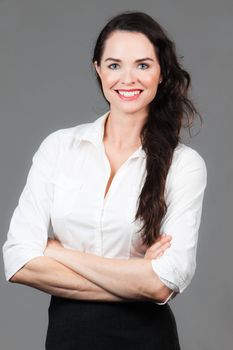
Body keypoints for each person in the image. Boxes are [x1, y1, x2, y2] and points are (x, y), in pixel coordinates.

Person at [2, 11, 207, 350]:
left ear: (162, 72)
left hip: (147, 339)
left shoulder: (184, 165)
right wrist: (136, 276)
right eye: (114, 65)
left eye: (142, 65)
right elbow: (19, 261)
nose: (128, 78)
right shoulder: (59, 147)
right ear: (98, 68)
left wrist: (58, 252)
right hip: (67, 337)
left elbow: (161, 284)